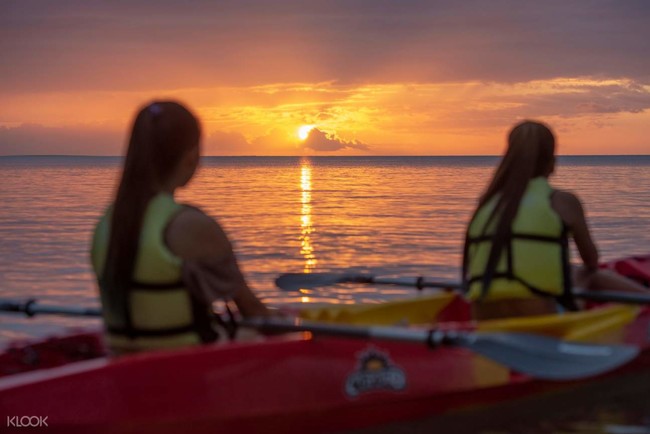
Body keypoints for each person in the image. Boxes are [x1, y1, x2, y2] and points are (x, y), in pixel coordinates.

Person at [91, 101, 269, 354]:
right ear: (191, 157)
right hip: (188, 369)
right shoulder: (190, 226)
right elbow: (254, 313)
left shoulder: (105, 224)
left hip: (121, 362)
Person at [462, 120, 647, 320]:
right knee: (584, 273)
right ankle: (646, 301)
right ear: (551, 162)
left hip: (482, 317)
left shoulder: (487, 202)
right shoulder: (562, 201)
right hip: (539, 317)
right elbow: (592, 262)